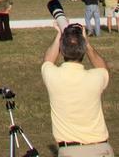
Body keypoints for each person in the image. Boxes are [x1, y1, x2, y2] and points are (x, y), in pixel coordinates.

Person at [41, 22, 112, 156]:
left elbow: (48, 60)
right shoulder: (96, 77)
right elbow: (103, 68)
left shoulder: (52, 75)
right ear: (83, 49)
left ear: (62, 50)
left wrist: (59, 35)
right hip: (101, 149)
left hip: (71, 150)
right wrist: (87, 44)